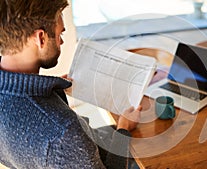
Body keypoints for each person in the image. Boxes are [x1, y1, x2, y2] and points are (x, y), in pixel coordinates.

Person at [0, 0, 141, 168]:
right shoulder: (63, 132)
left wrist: (53, 87)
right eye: (60, 34)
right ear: (40, 38)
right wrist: (123, 129)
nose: (61, 42)